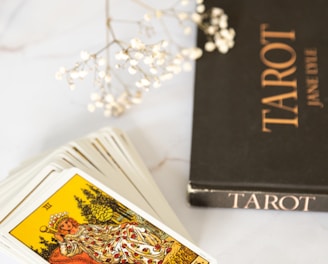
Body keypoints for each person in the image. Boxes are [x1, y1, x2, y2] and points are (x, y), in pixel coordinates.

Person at [46, 212, 172, 264]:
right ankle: (152, 258)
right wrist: (61, 241)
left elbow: (105, 230)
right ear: (61, 229)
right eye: (63, 226)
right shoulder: (70, 240)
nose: (67, 225)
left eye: (67, 222)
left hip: (110, 240)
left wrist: (121, 226)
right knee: (122, 242)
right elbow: (68, 252)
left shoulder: (85, 227)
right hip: (103, 252)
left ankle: (157, 248)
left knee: (130, 229)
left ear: (70, 221)